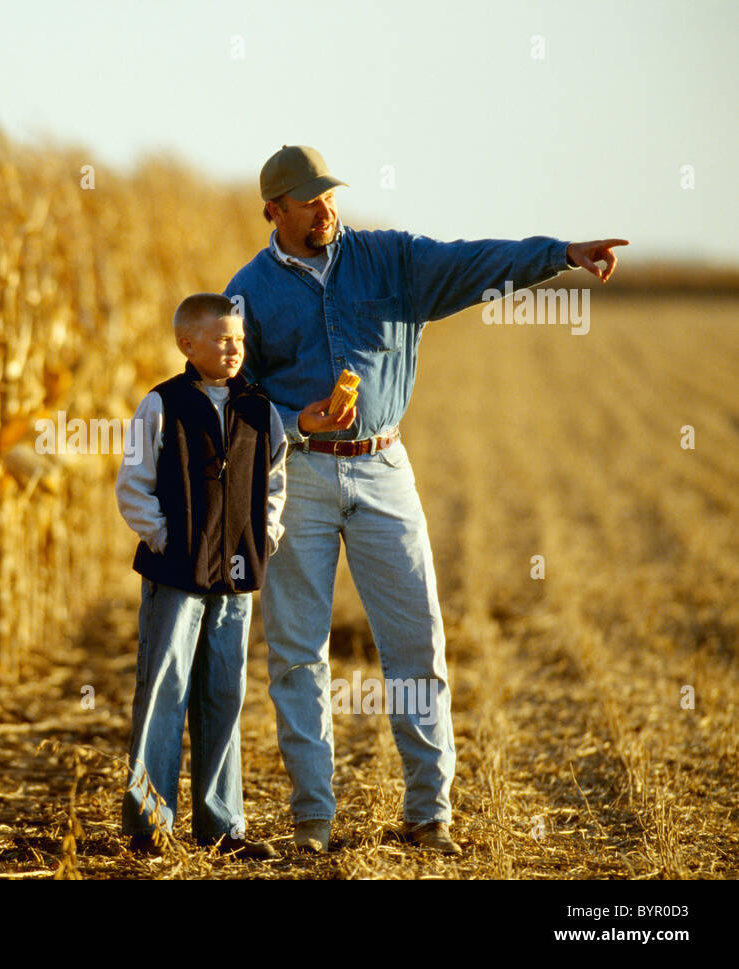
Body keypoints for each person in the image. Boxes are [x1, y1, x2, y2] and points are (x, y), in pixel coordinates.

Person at [223, 145, 628, 856]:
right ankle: (313, 819)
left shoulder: (392, 260)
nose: (326, 207)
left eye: (329, 195)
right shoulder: (247, 291)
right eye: (308, 199)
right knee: (296, 653)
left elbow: (474, 262)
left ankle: (429, 813)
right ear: (273, 209)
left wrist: (560, 252)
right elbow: (233, 401)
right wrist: (295, 423)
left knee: (417, 644)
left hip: (383, 469)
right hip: (301, 476)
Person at [115, 292, 288, 859]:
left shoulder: (259, 408)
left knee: (223, 695)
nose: (233, 349)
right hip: (177, 575)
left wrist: (264, 539)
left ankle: (221, 827)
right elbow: (133, 486)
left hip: (237, 576)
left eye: (239, 340)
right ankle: (150, 825)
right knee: (164, 691)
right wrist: (164, 541)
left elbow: (274, 481)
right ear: (187, 344)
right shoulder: (160, 404)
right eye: (220, 340)